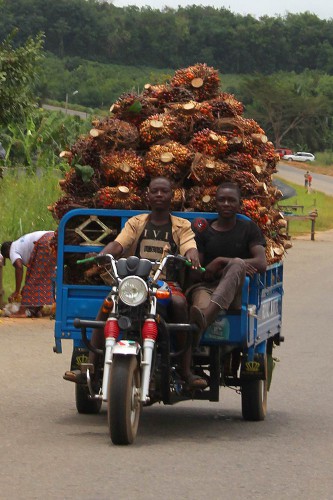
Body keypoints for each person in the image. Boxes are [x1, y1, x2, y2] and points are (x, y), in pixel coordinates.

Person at [64, 177, 207, 389]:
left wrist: (193, 255)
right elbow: (120, 244)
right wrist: (103, 254)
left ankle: (186, 370)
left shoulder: (181, 225)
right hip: (134, 282)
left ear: (172, 196)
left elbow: (189, 245)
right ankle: (90, 367)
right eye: (155, 191)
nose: (159, 195)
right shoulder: (136, 222)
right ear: (147, 196)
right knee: (109, 303)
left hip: (165, 284)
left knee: (178, 304)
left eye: (164, 191)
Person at [189, 182, 267, 340]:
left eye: (231, 200)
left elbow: (261, 263)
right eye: (221, 200)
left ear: (240, 204)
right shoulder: (205, 231)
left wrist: (221, 261)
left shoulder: (248, 228)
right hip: (206, 287)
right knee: (198, 309)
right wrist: (201, 269)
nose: (226, 204)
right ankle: (192, 351)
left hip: (236, 292)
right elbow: (198, 272)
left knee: (237, 263)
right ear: (215, 203)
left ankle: (207, 318)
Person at [0, 231, 56, 317]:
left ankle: (22, 311)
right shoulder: (19, 244)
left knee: (32, 281)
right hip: (54, 238)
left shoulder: (12, 250)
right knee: (43, 279)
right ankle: (36, 309)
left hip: (44, 242)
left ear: (6, 254)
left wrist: (17, 291)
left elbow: (19, 267)